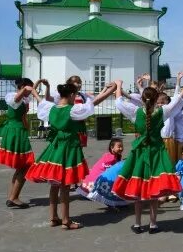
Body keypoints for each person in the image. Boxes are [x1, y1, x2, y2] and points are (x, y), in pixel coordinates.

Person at [26, 82, 116, 230]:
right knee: (65, 186)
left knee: (54, 185)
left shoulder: (51, 109)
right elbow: (92, 104)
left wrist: (35, 92)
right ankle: (66, 220)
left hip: (54, 148)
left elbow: (40, 102)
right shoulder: (72, 110)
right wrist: (110, 91)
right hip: (68, 148)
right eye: (75, 95)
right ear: (72, 95)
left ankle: (54, 217)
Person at [112, 80, 183, 234]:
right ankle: (153, 225)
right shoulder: (162, 112)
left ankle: (138, 224)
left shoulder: (136, 112)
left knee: (138, 191)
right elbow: (178, 101)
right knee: (154, 190)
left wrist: (119, 85)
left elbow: (119, 103)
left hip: (139, 154)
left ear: (143, 99)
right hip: (156, 153)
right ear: (155, 99)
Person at [0, 78, 41, 209]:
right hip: (15, 131)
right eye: (28, 89)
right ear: (22, 87)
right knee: (26, 165)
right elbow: (17, 99)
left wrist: (38, 83)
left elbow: (26, 95)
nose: (29, 93)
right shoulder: (12, 97)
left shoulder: (24, 98)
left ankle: (13, 196)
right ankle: (14, 197)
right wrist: (28, 89)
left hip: (19, 130)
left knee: (21, 166)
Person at [77, 137, 124, 201]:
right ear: (112, 148)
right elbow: (110, 171)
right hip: (96, 177)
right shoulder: (110, 158)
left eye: (122, 146)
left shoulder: (114, 156)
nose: (121, 148)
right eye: (119, 147)